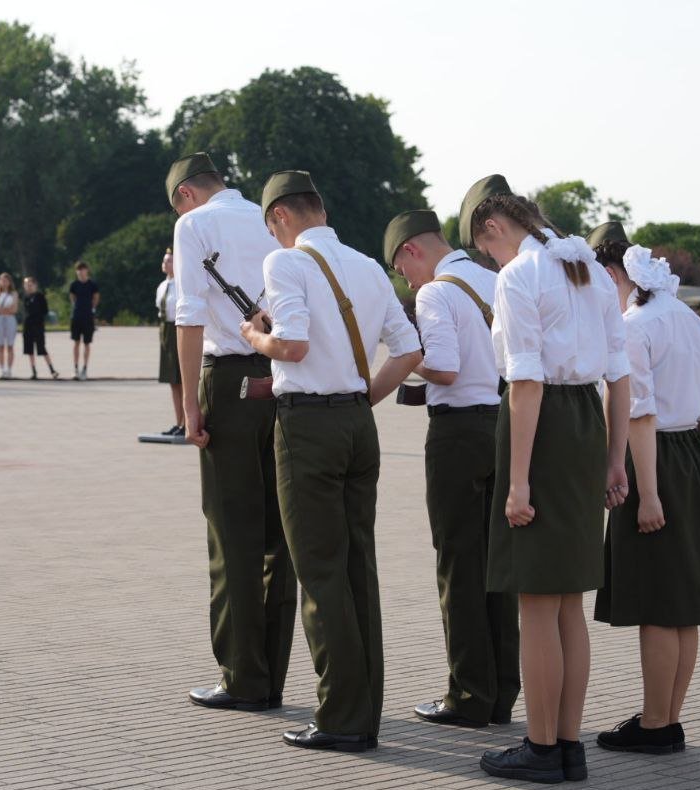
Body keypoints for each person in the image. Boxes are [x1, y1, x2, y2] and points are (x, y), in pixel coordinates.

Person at [241, 170, 422, 752]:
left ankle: (342, 717)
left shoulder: (285, 264)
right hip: (356, 424)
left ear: (279, 219)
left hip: (309, 427)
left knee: (319, 571)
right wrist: (363, 393)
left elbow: (291, 345)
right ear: (318, 208)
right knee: (356, 568)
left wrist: (255, 338)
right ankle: (362, 707)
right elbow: (411, 347)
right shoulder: (368, 265)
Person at [461, 176, 630, 784]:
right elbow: (620, 375)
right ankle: (566, 746)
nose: (490, 260)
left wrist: (518, 482)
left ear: (494, 229)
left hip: (544, 427)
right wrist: (616, 460)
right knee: (567, 605)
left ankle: (539, 747)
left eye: (486, 250)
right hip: (586, 421)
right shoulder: (586, 267)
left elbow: (525, 383)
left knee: (535, 598)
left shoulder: (519, 276)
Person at [587, 222, 700, 756]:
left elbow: (640, 419)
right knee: (683, 603)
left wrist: (647, 495)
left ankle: (654, 724)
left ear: (614, 273)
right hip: (692, 456)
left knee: (657, 605)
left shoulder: (633, 327)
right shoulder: (692, 322)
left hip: (657, 461)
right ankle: (667, 718)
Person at [166, 152, 296, 717]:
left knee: (231, 536)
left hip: (229, 382)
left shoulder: (195, 225)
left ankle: (243, 677)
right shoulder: (272, 219)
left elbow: (190, 316)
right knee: (279, 535)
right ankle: (271, 674)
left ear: (184, 196)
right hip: (285, 377)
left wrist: (192, 405)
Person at [383, 210, 519, 730]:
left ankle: (467, 694)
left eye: (402, 268)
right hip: (503, 425)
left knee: (459, 566)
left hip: (458, 436)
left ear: (412, 251)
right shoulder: (493, 278)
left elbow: (444, 366)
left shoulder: (436, 292)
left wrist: (401, 349)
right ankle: (503, 691)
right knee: (498, 567)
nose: (406, 280)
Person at [155, 248, 183, 435]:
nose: (166, 264)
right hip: (165, 329)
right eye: (165, 261)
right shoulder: (162, 286)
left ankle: (186, 423)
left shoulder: (181, 285)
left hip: (177, 329)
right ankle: (177, 421)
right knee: (172, 380)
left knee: (181, 379)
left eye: (170, 260)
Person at [21, 277, 59, 379]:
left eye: (30, 284)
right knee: (29, 350)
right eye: (26, 285)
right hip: (28, 325)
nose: (28, 287)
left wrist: (39, 318)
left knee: (42, 348)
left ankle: (52, 369)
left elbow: (45, 310)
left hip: (38, 325)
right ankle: (34, 371)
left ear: (35, 285)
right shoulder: (26, 298)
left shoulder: (40, 296)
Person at [68, 262, 99, 380]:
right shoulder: (74, 285)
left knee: (87, 343)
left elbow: (96, 297)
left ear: (87, 271)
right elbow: (72, 298)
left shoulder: (92, 285)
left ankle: (85, 368)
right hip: (76, 316)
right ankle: (75, 368)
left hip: (88, 316)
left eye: (83, 269)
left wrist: (92, 308)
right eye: (78, 270)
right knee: (76, 342)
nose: (81, 272)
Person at [0, 273, 19, 379]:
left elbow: (14, 309)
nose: (4, 282)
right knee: (0, 346)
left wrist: (2, 310)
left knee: (10, 346)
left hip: (10, 319)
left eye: (6, 280)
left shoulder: (13, 294)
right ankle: (2, 368)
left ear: (9, 282)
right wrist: (5, 310)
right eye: (2, 280)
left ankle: (9, 369)